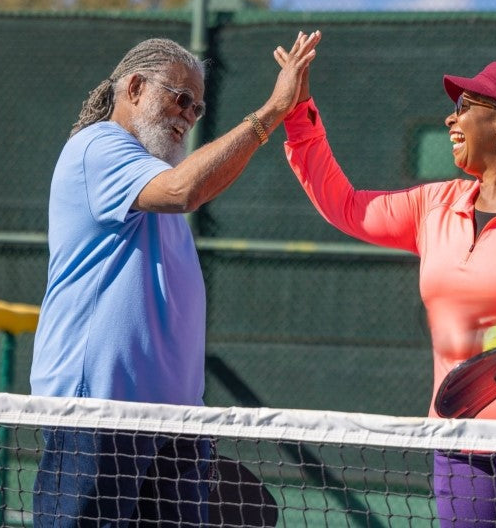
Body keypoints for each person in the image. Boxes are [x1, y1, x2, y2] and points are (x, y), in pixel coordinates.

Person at [276, 33, 496, 528]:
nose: (450, 117)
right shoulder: (433, 205)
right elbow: (345, 206)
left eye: (465, 105)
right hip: (457, 437)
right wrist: (297, 114)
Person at [30, 32, 319, 527]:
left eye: (198, 108)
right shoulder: (98, 147)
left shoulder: (157, 177)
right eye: (180, 98)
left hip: (177, 426)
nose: (189, 113)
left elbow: (195, 186)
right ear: (135, 88)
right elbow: (185, 190)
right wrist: (272, 110)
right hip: (99, 415)